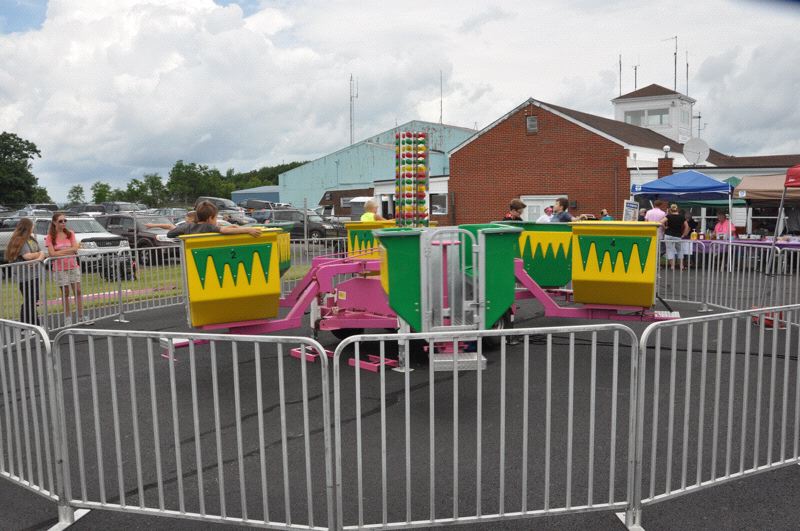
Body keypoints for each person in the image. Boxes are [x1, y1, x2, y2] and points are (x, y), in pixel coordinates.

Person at [5, 218, 45, 325]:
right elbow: (27, 256)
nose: (33, 227)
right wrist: (38, 256)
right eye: (32, 225)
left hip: (35, 274)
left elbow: (42, 252)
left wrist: (37, 258)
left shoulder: (31, 238)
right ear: (28, 227)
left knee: (33, 300)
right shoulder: (19, 239)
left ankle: (33, 324)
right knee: (30, 300)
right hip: (24, 276)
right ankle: (29, 325)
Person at [45, 212, 83, 325]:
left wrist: (60, 252)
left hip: (72, 266)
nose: (63, 223)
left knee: (78, 291)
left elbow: (75, 248)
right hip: (59, 269)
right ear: (54, 222)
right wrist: (68, 251)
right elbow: (52, 254)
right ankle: (68, 318)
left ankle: (81, 316)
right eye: (60, 221)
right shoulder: (50, 237)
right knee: (65, 293)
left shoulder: (70, 233)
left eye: (65, 221)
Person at [167, 201, 262, 238]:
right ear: (210, 218)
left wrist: (182, 237)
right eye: (216, 217)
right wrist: (248, 229)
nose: (216, 220)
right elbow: (224, 231)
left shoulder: (187, 227)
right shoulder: (209, 227)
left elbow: (170, 234)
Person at [662, 204, 689, 270]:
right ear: (678, 209)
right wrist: (684, 234)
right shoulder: (682, 217)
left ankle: (672, 266)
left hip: (668, 235)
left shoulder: (668, 216)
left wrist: (665, 227)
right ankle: (681, 266)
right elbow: (687, 226)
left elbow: (661, 222)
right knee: (680, 250)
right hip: (678, 235)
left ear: (671, 210)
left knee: (670, 250)